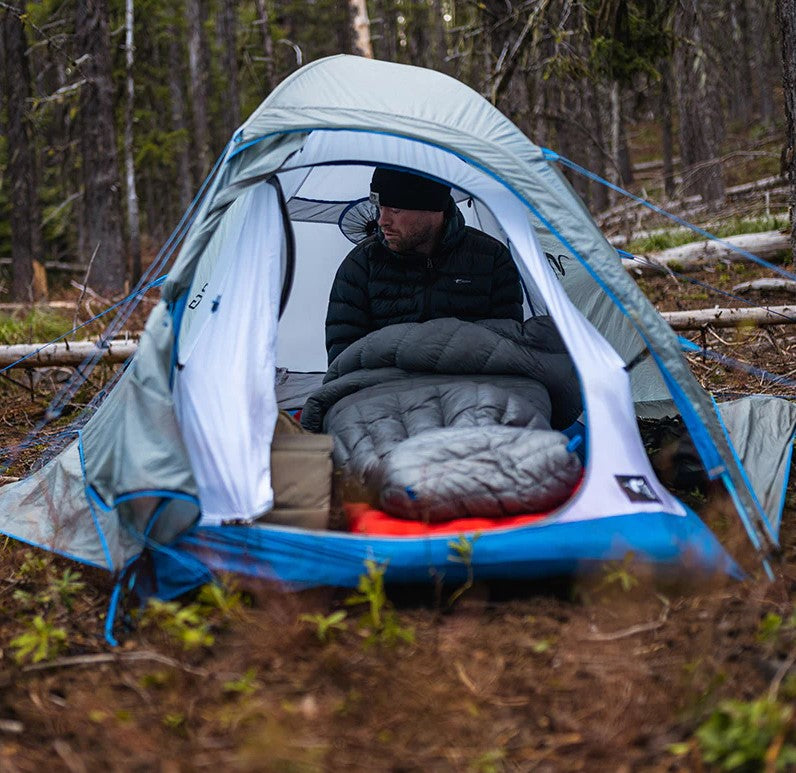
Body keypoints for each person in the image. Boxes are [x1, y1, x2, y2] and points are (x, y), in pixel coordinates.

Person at [325, 168, 524, 363]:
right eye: (380, 208)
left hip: (470, 389)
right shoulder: (361, 266)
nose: (382, 221)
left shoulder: (491, 260)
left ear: (432, 209)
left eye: (395, 210)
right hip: (384, 390)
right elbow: (344, 361)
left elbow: (506, 351)